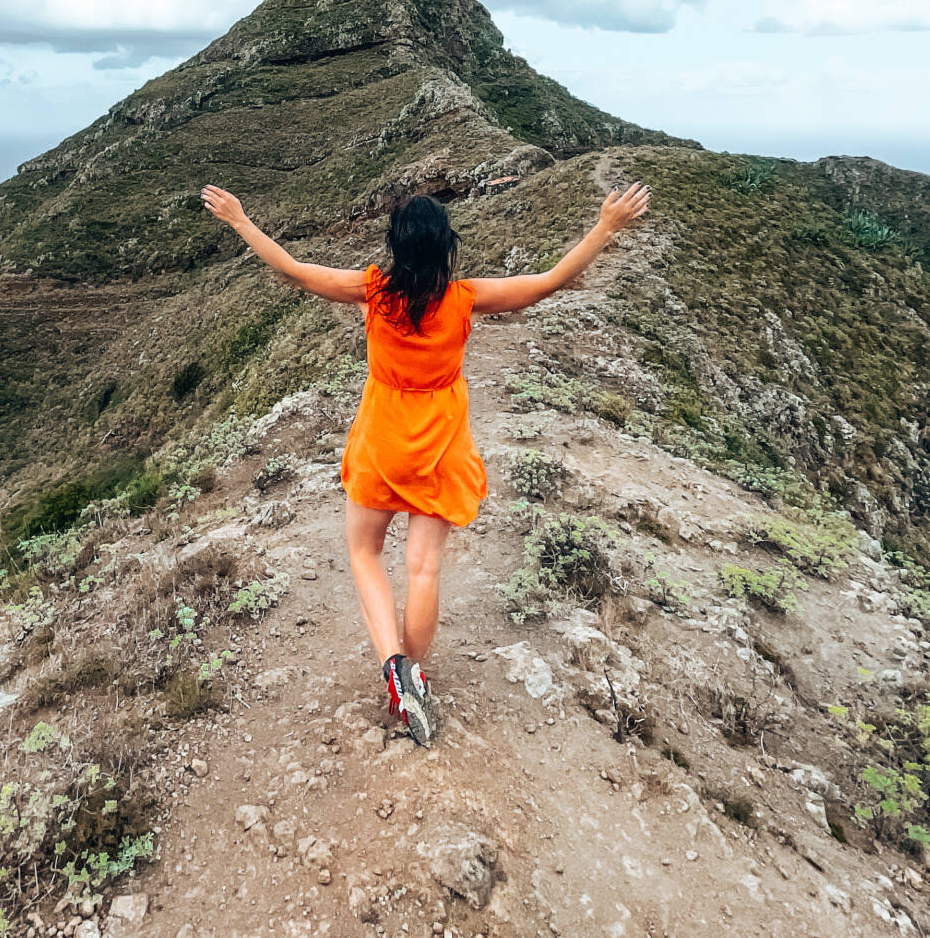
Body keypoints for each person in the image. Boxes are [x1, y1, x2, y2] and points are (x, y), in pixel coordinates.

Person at [199, 180, 651, 744]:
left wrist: (241, 220)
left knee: (364, 553)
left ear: (396, 245)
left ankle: (392, 663)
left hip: (382, 440)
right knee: (423, 568)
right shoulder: (464, 298)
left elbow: (294, 269)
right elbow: (547, 283)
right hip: (440, 445)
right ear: (445, 247)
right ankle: (410, 673)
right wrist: (606, 226)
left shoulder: (373, 290)